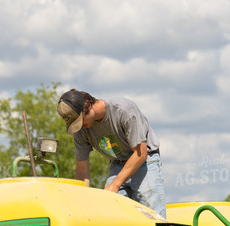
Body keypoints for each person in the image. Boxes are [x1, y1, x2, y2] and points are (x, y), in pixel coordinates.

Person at [57, 89, 166, 218]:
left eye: (81, 121)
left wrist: (115, 184)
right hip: (117, 164)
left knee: (152, 212)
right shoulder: (80, 131)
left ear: (88, 106)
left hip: (145, 160)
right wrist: (82, 203)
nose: (80, 126)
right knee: (111, 210)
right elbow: (82, 172)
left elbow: (140, 153)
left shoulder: (123, 110)